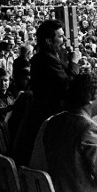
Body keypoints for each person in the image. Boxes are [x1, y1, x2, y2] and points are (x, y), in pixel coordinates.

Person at [12, 19, 80, 166]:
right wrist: (74, 63)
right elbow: (67, 85)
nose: (64, 40)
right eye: (60, 36)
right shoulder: (46, 59)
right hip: (51, 119)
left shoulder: (50, 57)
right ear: (49, 40)